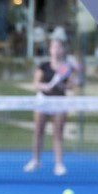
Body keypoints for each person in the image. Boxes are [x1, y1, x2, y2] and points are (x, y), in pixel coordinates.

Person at [24, 33, 80, 177]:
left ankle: (59, 164)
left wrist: (63, 86)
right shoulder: (43, 66)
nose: (56, 49)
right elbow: (35, 83)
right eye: (54, 47)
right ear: (50, 49)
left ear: (63, 50)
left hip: (59, 102)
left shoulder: (67, 67)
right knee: (38, 131)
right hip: (43, 100)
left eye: (59, 47)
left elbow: (71, 85)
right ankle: (36, 161)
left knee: (58, 133)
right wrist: (44, 86)